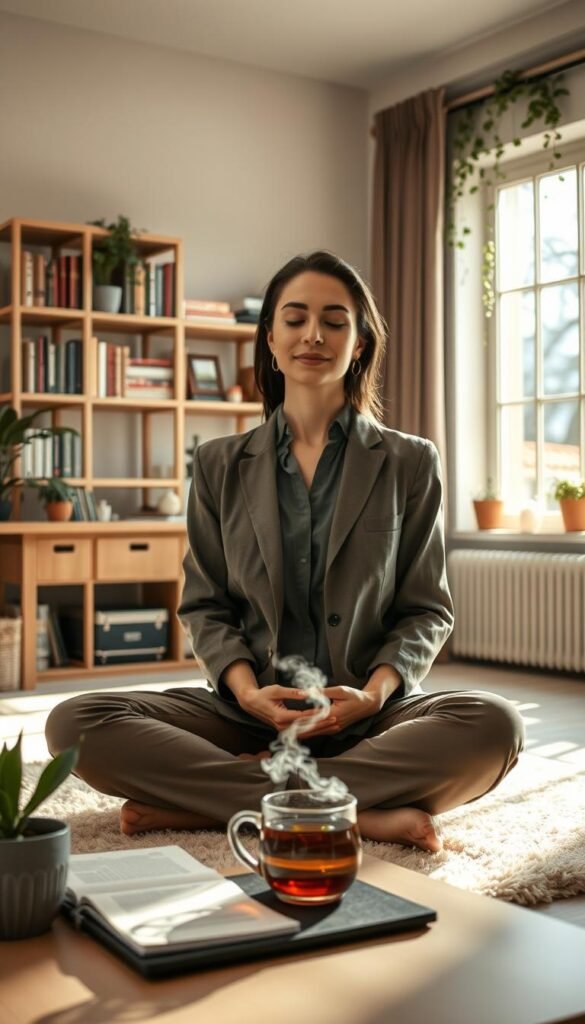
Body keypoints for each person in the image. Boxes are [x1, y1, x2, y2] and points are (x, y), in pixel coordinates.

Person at [46, 250, 524, 852]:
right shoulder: (220, 463)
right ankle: (355, 813)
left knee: (495, 725)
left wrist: (373, 696)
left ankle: (213, 805)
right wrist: (247, 692)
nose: (313, 335)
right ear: (270, 337)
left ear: (360, 342)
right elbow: (205, 605)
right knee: (75, 724)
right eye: (294, 319)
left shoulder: (410, 461)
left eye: (334, 320)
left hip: (369, 721)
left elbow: (426, 609)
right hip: (247, 715)